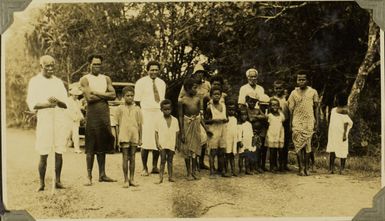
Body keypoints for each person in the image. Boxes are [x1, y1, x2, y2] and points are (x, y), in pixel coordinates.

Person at [26, 55, 69, 191]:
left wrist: (57, 102)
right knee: (43, 151)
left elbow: (65, 104)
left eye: (52, 66)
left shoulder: (58, 82)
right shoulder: (35, 82)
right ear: (41, 66)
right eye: (47, 66)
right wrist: (47, 104)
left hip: (58, 119)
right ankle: (42, 183)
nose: (50, 69)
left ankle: (58, 180)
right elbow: (32, 104)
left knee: (59, 150)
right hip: (44, 119)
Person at [80, 54, 117, 186]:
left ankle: (102, 174)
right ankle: (89, 176)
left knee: (102, 143)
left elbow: (113, 95)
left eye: (99, 64)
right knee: (90, 145)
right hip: (92, 114)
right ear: (89, 64)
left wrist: (97, 93)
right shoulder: (85, 79)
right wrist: (105, 96)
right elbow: (89, 98)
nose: (97, 66)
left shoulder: (106, 78)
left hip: (104, 114)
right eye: (94, 64)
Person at [134, 61, 166, 176]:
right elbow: (137, 101)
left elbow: (162, 100)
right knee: (146, 141)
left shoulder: (162, 83)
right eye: (152, 70)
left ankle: (154, 166)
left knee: (157, 140)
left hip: (158, 112)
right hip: (146, 113)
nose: (154, 72)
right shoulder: (141, 82)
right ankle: (144, 167)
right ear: (147, 70)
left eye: (156, 70)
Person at [179, 64, 211, 170]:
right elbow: (182, 98)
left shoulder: (206, 85)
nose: (200, 75)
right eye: (198, 73)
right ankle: (193, 165)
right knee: (192, 140)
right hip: (190, 114)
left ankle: (200, 162)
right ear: (194, 74)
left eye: (202, 73)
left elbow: (211, 97)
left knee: (203, 139)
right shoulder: (188, 85)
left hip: (203, 112)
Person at [288, 71, 320, 176]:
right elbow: (291, 110)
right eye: (299, 80)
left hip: (309, 121)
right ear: (297, 81)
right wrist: (290, 123)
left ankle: (307, 167)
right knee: (298, 144)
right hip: (297, 121)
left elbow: (316, 108)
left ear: (307, 80)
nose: (301, 82)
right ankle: (300, 168)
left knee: (307, 145)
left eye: (303, 79)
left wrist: (317, 122)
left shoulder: (313, 92)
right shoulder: (293, 93)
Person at [115, 86, 142, 188]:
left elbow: (140, 125)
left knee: (133, 157)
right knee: (125, 158)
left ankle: (132, 179)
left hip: (134, 135)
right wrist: (118, 138)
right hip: (124, 135)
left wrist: (140, 138)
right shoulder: (119, 109)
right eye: (127, 96)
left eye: (132, 95)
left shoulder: (137, 109)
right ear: (123, 96)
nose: (130, 97)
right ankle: (126, 179)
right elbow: (117, 124)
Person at [204, 86, 228, 178]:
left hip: (223, 129)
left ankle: (221, 170)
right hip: (213, 130)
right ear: (211, 96)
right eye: (215, 94)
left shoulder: (224, 106)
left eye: (218, 94)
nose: (217, 96)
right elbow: (205, 120)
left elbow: (227, 118)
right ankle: (211, 172)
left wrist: (225, 120)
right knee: (213, 152)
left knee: (222, 151)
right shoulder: (209, 108)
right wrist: (215, 120)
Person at [326, 92, 353, 175]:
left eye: (336, 99)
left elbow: (346, 123)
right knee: (332, 150)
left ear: (339, 100)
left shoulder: (344, 111)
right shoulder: (333, 110)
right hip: (333, 133)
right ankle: (331, 169)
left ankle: (342, 169)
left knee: (343, 150)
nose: (335, 100)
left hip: (341, 133)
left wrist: (344, 134)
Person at [155, 99, 180, 183]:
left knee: (170, 160)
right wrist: (157, 143)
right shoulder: (158, 120)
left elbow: (177, 133)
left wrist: (176, 143)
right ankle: (160, 177)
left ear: (171, 109)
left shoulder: (175, 120)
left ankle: (170, 176)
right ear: (161, 110)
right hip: (162, 143)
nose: (167, 111)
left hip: (171, 143)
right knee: (162, 160)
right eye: (165, 109)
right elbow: (156, 132)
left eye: (168, 109)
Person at [272, 80, 291, 171]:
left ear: (283, 88)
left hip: (285, 122)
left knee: (285, 145)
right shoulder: (272, 99)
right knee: (276, 143)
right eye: (277, 88)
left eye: (280, 88)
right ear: (274, 89)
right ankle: (274, 164)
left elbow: (290, 111)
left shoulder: (287, 98)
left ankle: (284, 164)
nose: (278, 90)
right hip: (275, 123)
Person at [245, 95, 267, 173]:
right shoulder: (246, 110)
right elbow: (250, 119)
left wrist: (256, 116)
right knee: (251, 150)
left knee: (258, 150)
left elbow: (264, 117)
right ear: (247, 102)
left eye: (254, 102)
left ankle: (257, 166)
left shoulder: (257, 109)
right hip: (250, 131)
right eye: (250, 102)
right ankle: (251, 167)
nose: (252, 103)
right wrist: (257, 117)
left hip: (259, 131)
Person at [265, 98, 285, 172]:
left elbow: (283, 119)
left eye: (276, 105)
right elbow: (267, 122)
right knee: (273, 151)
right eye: (273, 105)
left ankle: (281, 166)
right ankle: (272, 166)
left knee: (280, 150)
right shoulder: (269, 115)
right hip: (272, 134)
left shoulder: (281, 115)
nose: (275, 107)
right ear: (270, 106)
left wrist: (280, 110)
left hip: (280, 134)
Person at [237, 107, 255, 175]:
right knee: (241, 156)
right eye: (242, 115)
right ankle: (241, 169)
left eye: (245, 115)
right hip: (242, 142)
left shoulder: (249, 124)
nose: (244, 116)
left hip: (248, 142)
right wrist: (239, 141)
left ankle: (247, 169)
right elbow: (238, 135)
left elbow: (251, 134)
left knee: (248, 156)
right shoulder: (239, 125)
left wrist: (252, 142)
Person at [67, 84, 84, 154]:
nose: (76, 96)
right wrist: (73, 117)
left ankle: (77, 149)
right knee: (67, 134)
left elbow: (79, 110)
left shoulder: (77, 101)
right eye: (75, 95)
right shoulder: (68, 101)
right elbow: (68, 111)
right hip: (68, 120)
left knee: (76, 135)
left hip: (76, 120)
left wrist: (81, 117)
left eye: (77, 95)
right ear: (72, 94)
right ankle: (61, 146)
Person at [224, 100, 238, 177]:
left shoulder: (235, 119)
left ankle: (233, 170)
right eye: (230, 110)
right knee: (227, 155)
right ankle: (226, 170)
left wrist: (238, 140)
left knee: (232, 155)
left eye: (233, 110)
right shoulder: (226, 119)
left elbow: (237, 130)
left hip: (233, 139)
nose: (231, 111)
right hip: (227, 139)